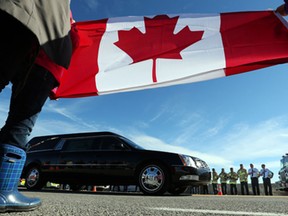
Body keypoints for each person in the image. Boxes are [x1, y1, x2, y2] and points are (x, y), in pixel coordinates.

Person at [0, 1, 74, 213]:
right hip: (44, 61)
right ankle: (4, 190)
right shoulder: (61, 14)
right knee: (21, 123)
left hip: (13, 14)